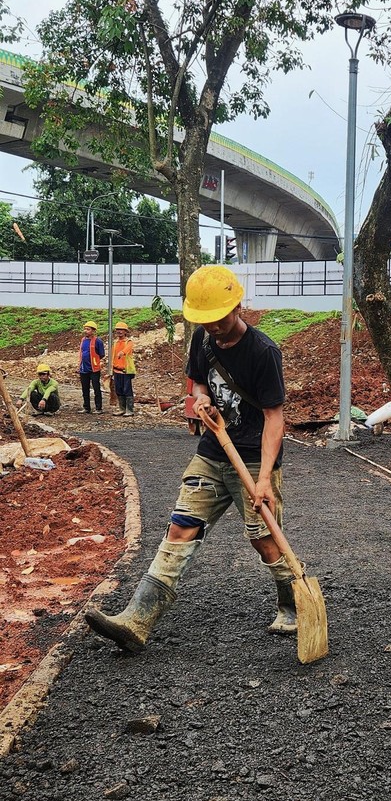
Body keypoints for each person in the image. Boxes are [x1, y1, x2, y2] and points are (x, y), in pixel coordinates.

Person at [85, 264, 303, 653]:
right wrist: (201, 398)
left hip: (253, 457)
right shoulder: (203, 340)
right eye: (205, 320)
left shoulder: (264, 352)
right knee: (180, 528)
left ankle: (293, 603)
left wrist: (266, 478)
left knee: (264, 538)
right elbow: (200, 380)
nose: (213, 327)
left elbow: (274, 417)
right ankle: (137, 621)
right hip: (211, 451)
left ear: (237, 306)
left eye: (218, 318)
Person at [78, 320, 105, 414]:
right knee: (85, 389)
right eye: (85, 329)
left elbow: (101, 354)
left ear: (93, 331)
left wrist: (94, 361)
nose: (86, 331)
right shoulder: (83, 340)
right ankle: (86, 407)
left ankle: (98, 408)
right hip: (83, 369)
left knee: (96, 389)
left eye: (88, 329)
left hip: (94, 369)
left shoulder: (98, 341)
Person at [111, 321, 136, 417]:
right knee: (119, 390)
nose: (119, 331)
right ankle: (122, 409)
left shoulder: (128, 342)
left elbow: (127, 350)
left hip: (126, 371)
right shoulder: (115, 343)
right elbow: (112, 356)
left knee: (127, 390)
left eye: (121, 330)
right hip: (116, 370)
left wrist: (122, 352)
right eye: (117, 329)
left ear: (125, 331)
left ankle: (129, 410)